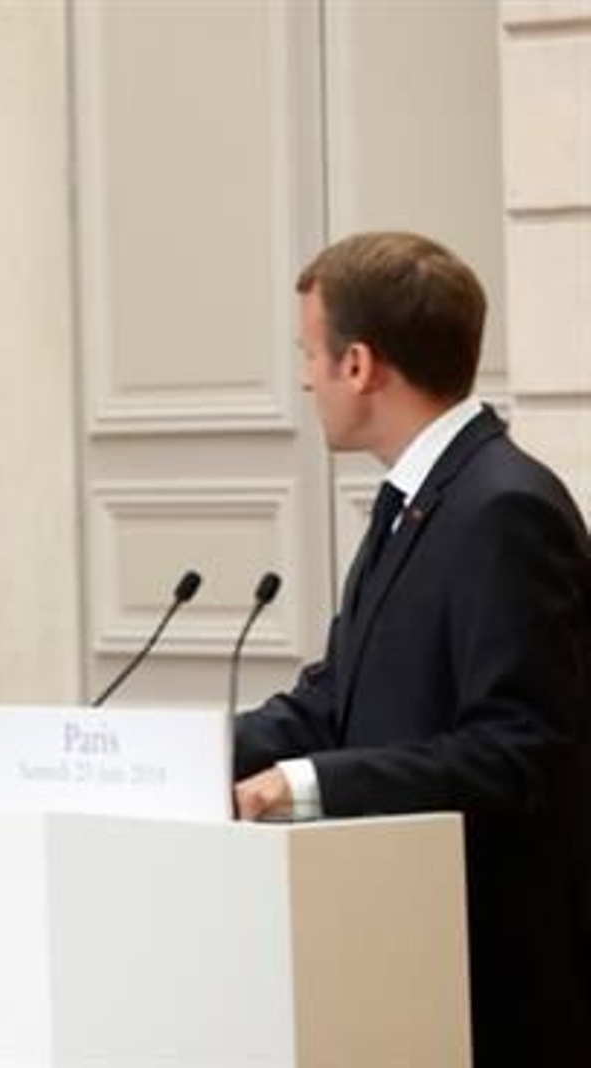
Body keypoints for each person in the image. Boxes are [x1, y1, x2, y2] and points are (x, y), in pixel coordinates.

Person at [233, 231, 591, 1065]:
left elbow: (521, 752)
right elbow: (337, 697)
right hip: (407, 950)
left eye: (309, 353)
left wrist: (305, 785)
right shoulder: (414, 500)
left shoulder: (505, 509)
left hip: (493, 979)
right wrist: (182, 756)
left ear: (359, 364)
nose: (302, 378)